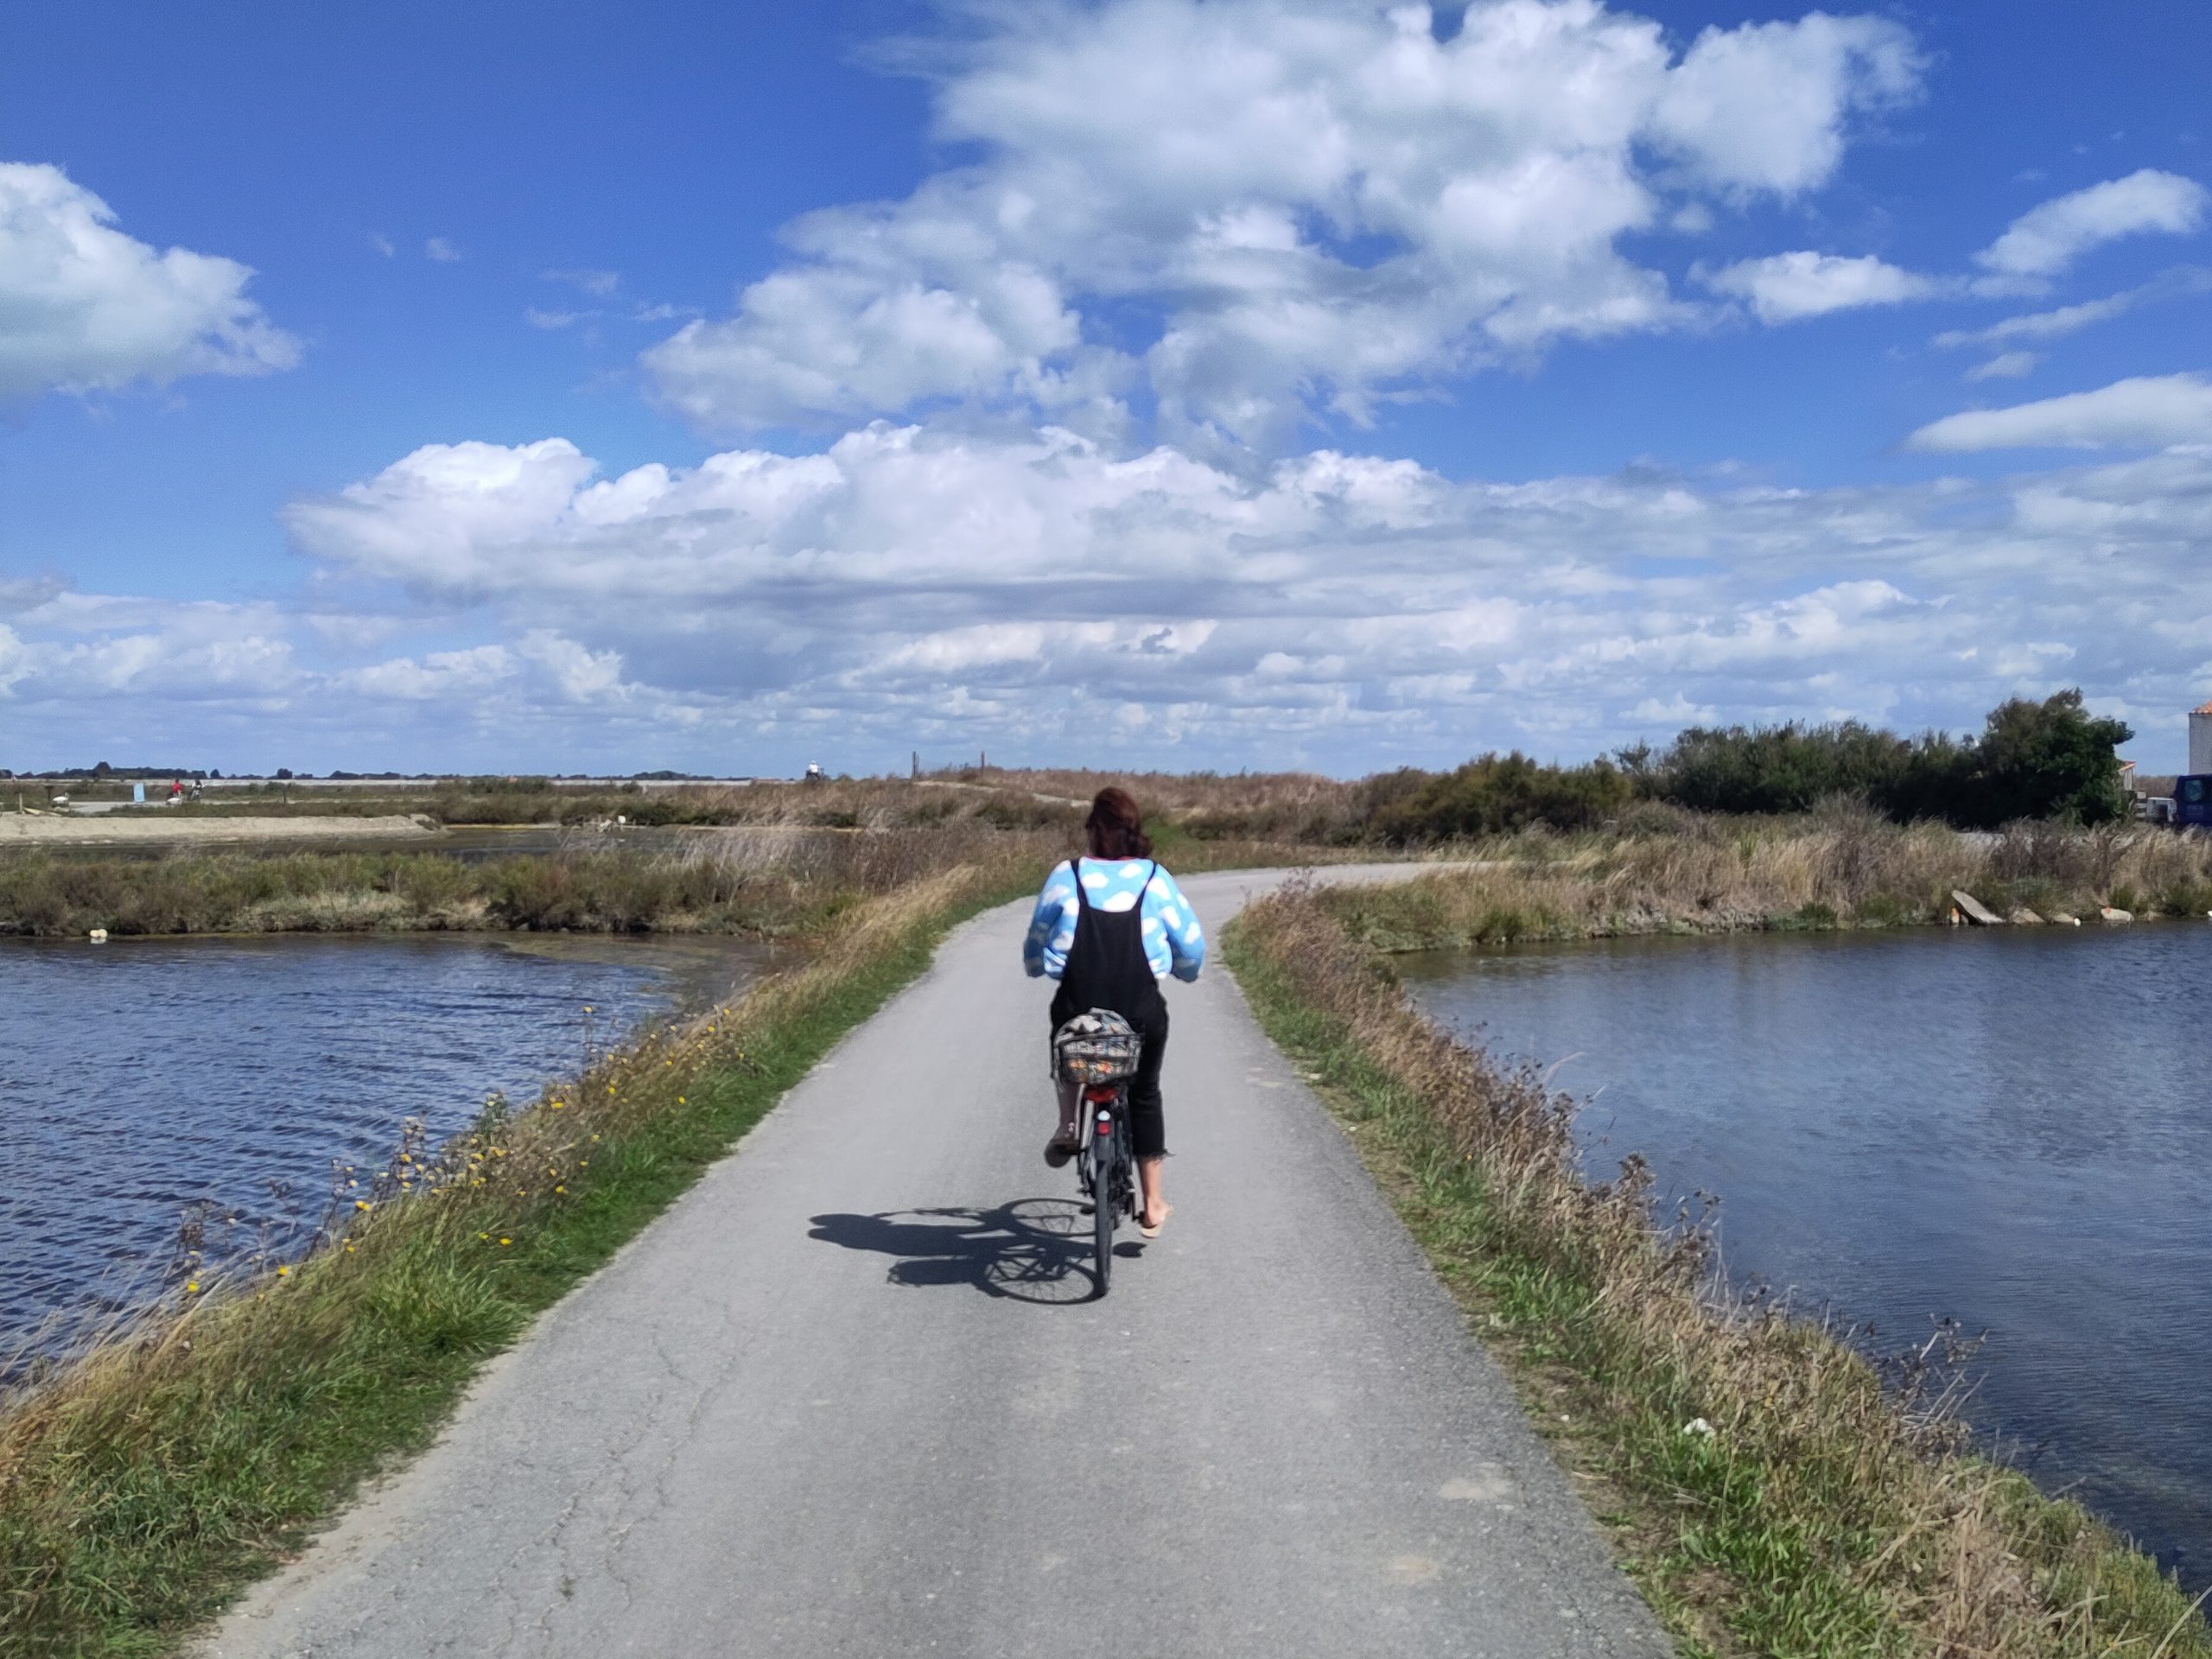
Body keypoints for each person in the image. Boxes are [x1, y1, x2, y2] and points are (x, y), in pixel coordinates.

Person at [1022, 787, 1205, 1238]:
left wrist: (1035, 966)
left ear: (1094, 830)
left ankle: (1068, 1125)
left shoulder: (1067, 875)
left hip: (1079, 1012)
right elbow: (1191, 946)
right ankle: (1154, 1203)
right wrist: (1184, 972)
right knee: (1144, 1093)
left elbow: (1037, 937)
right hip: (1139, 1015)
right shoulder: (1154, 879)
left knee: (1065, 1047)